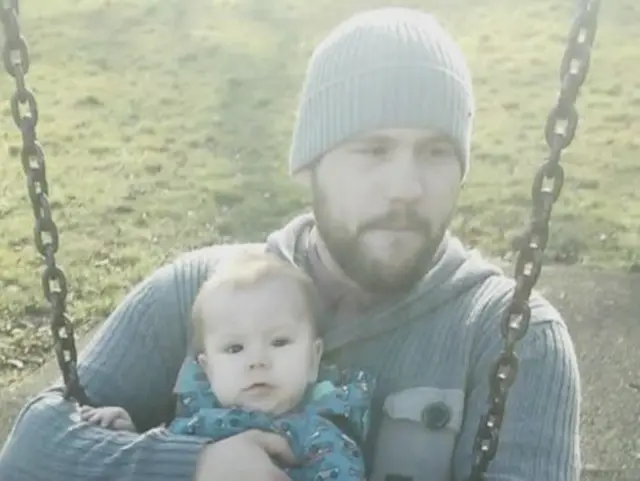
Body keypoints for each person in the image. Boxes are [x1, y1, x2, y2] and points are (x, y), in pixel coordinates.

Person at [0, 6, 580, 481]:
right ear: (310, 165)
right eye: (372, 149)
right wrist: (194, 464)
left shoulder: (511, 339)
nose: (406, 186)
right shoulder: (202, 292)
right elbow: (31, 451)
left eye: (435, 152)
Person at [76, 251, 373, 481]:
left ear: (313, 359)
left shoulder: (322, 440)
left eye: (279, 342)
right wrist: (128, 434)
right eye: (235, 348)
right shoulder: (189, 424)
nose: (257, 361)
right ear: (208, 370)